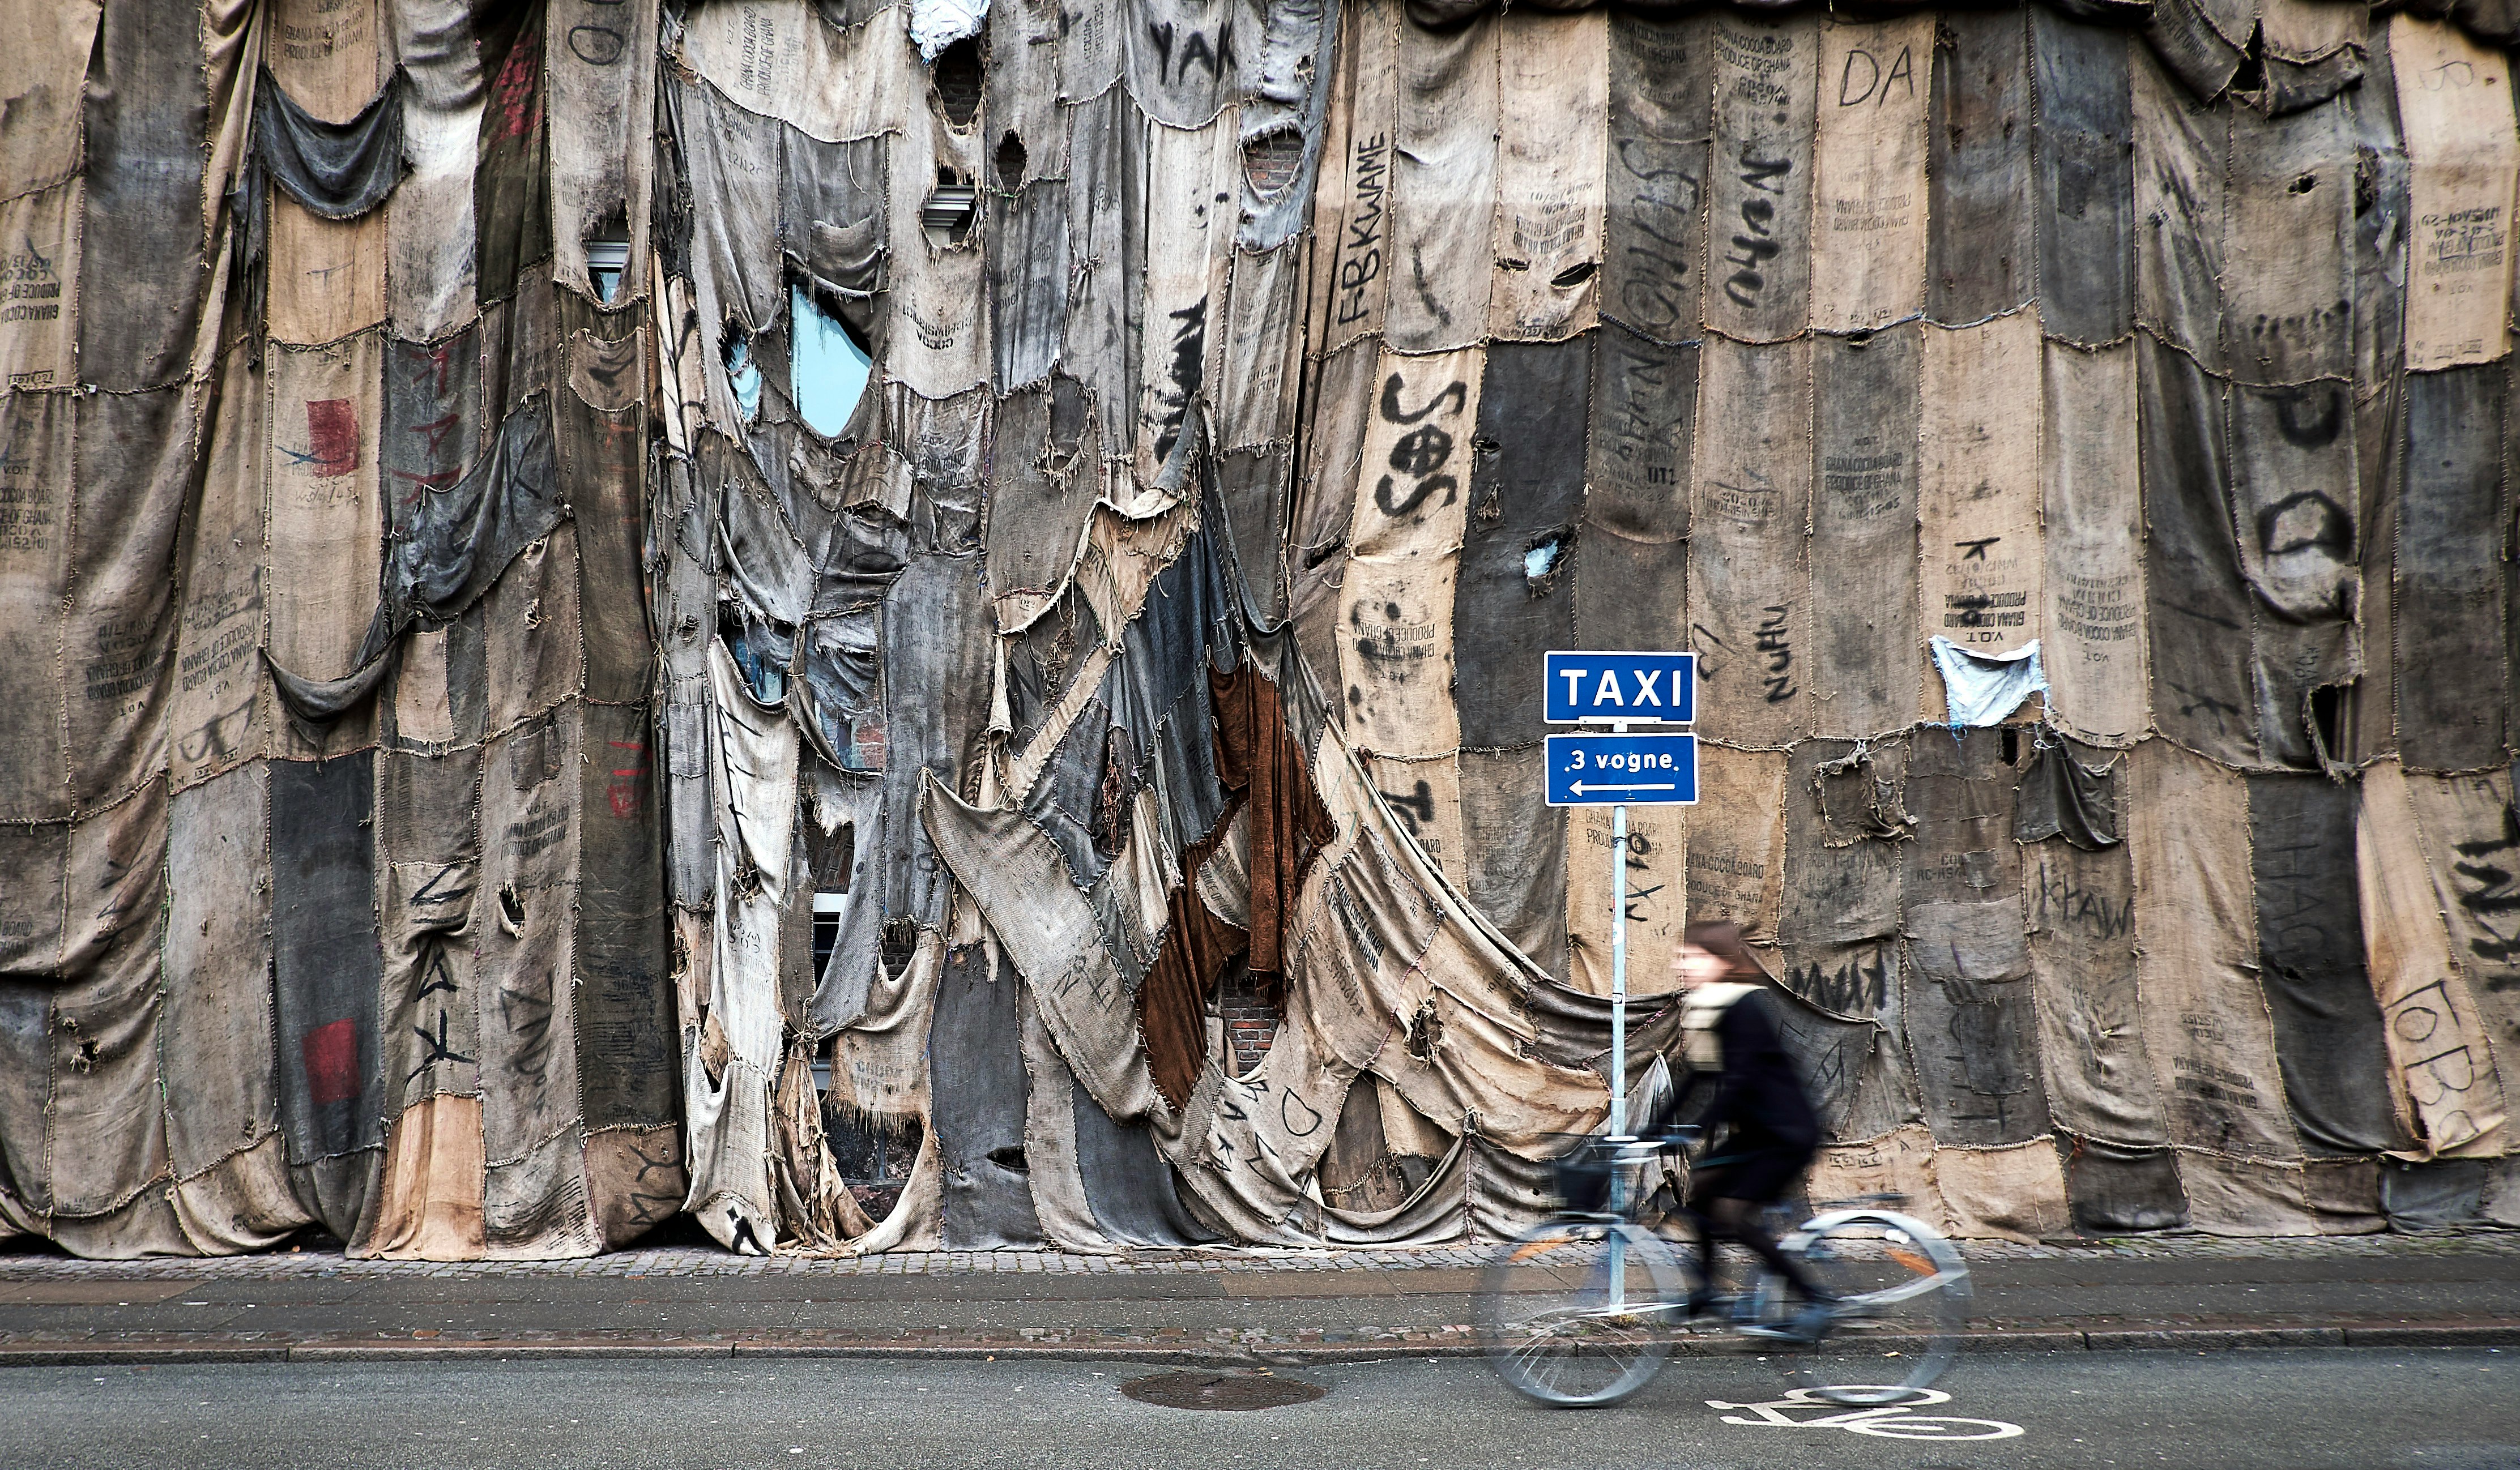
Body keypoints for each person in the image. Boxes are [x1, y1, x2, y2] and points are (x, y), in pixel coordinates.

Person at [1661, 919, 1832, 1343]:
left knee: (1730, 1214)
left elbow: (1738, 1079)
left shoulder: (1744, 1006)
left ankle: (1815, 1299)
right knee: (1699, 1189)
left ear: (1720, 963)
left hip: (1785, 1132)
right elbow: (1696, 1077)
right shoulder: (1710, 1003)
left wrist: (1694, 1129)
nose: (1681, 964)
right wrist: (1654, 1128)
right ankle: (1706, 1290)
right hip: (1758, 1131)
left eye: (1692, 957)